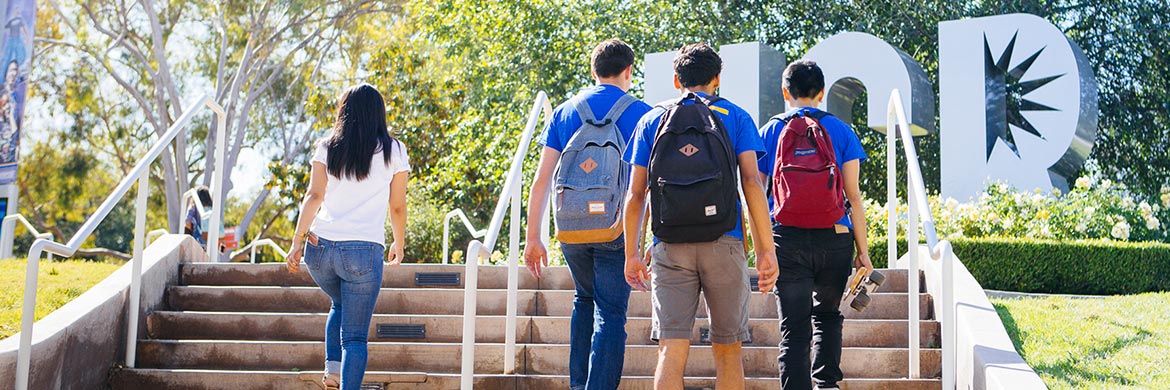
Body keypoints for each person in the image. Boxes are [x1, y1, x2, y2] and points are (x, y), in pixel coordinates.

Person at [622, 43, 779, 389]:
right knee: (728, 350)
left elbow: (635, 194)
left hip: (669, 245)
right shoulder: (735, 116)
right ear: (717, 79)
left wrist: (631, 253)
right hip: (725, 240)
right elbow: (752, 183)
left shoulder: (652, 119)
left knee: (670, 348)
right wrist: (766, 250)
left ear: (676, 80)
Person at [523, 38, 652, 390]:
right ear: (629, 71)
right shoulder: (643, 114)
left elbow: (541, 180)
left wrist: (533, 238)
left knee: (584, 299)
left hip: (572, 226)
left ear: (593, 71)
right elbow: (650, 185)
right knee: (610, 312)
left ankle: (579, 385)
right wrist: (651, 237)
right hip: (617, 228)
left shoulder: (565, 112)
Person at [285, 84, 410, 390]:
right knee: (354, 338)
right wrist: (399, 242)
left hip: (320, 250)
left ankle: (332, 370)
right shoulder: (394, 150)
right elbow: (397, 205)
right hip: (363, 253)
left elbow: (314, 196)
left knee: (340, 303)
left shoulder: (327, 146)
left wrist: (297, 242)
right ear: (378, 113)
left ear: (344, 111)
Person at [757, 60, 871, 390]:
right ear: (822, 93)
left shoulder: (769, 131)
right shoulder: (841, 130)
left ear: (785, 92)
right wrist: (863, 252)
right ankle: (826, 385)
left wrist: (762, 247)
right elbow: (853, 196)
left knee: (793, 328)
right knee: (828, 315)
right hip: (835, 236)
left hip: (786, 238)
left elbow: (757, 194)